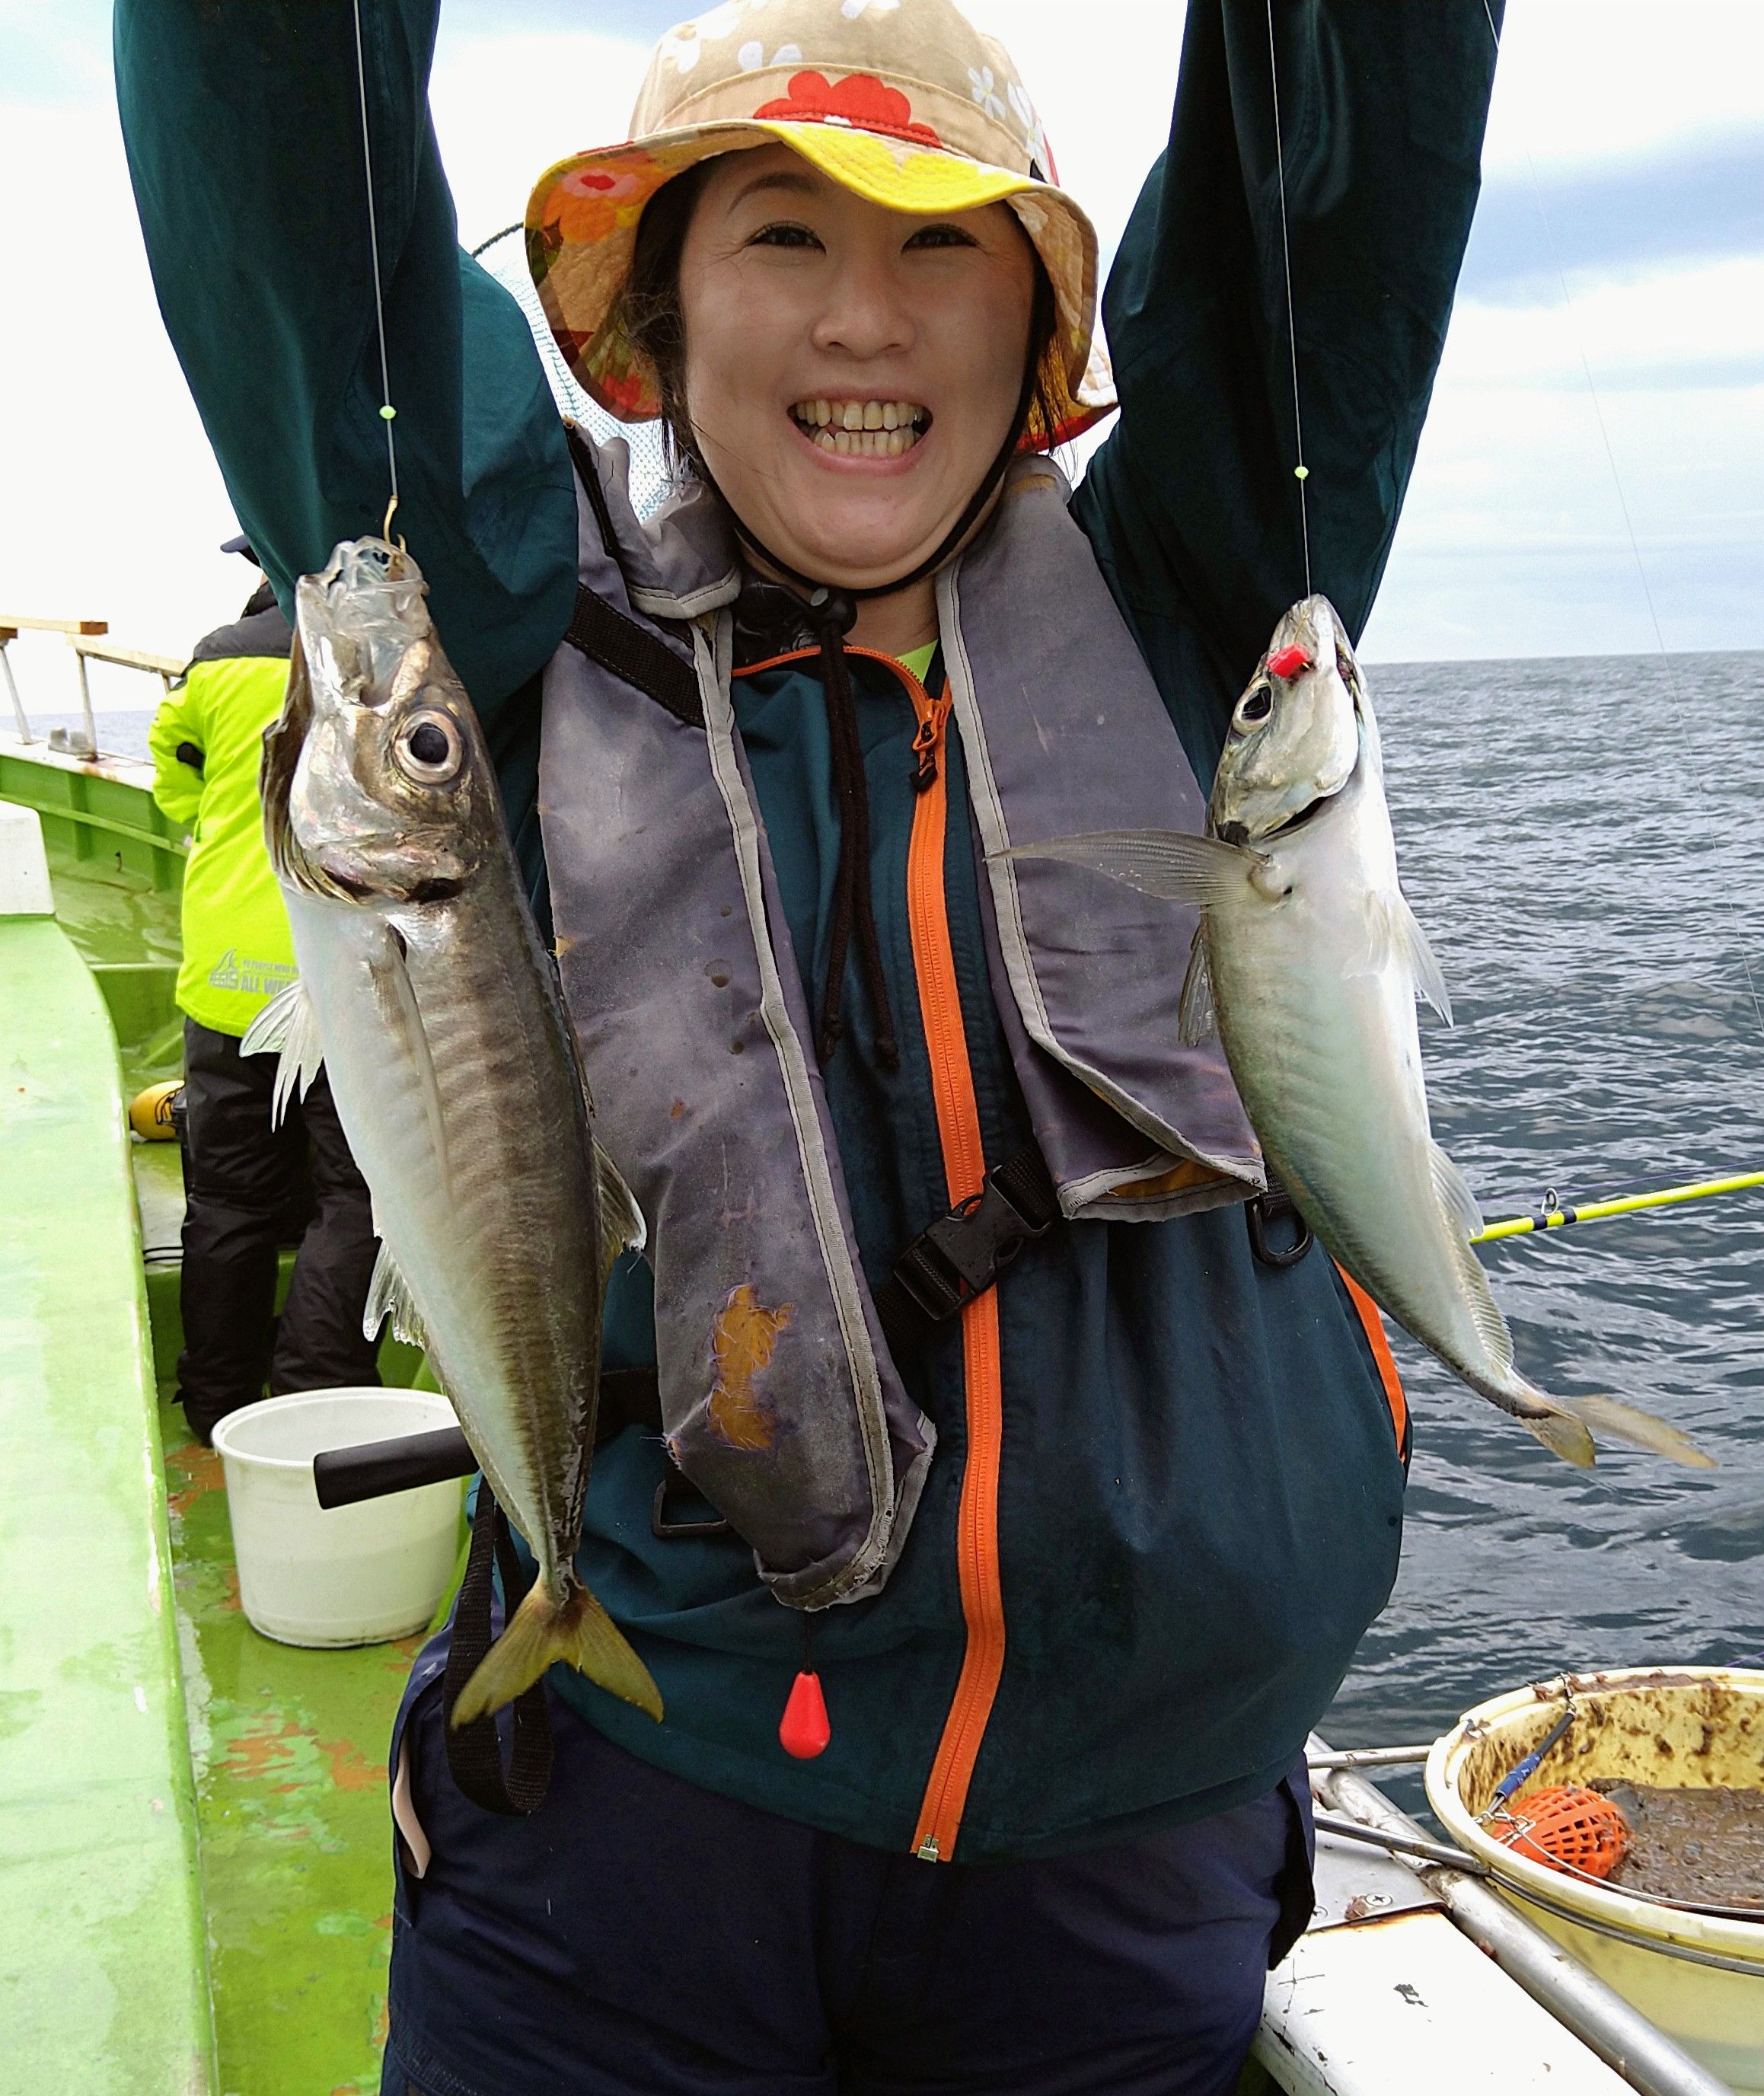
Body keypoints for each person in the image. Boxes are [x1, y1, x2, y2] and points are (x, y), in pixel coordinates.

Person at [118, 1, 1500, 2087]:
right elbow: (287, 188)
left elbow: (1346, 190)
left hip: (1124, 1857)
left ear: (1039, 328)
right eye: (780, 234)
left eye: (943, 242)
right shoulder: (512, 628)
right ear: (658, 312)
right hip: (628, 1823)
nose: (865, 316)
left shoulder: (1199, 610)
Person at [148, 540, 383, 1445]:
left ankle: (214, 1399)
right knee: (352, 1198)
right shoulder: (379, 664)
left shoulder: (213, 659)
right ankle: (313, 1400)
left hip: (224, 982)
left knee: (228, 1203)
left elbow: (175, 787)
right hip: (336, 983)